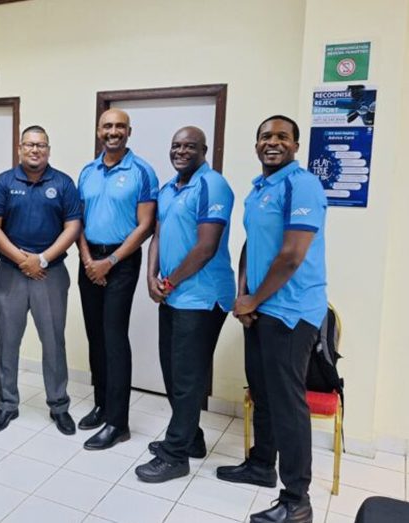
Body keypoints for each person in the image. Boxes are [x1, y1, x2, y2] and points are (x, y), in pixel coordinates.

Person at [216, 115, 327, 523]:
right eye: (265, 136)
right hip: (261, 309)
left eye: (282, 136)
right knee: (261, 392)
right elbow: (253, 244)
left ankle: (297, 500)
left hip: (292, 313)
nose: (273, 142)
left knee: (287, 404)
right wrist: (245, 295)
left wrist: (254, 300)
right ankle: (261, 464)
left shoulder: (303, 185)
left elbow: (292, 255)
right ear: (256, 144)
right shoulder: (260, 189)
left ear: (296, 146)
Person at [134, 126, 234, 482]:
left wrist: (171, 280)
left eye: (189, 146)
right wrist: (151, 276)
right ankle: (191, 438)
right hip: (172, 294)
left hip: (203, 297)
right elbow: (158, 235)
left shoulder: (213, 185)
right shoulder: (168, 188)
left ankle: (175, 456)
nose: (181, 151)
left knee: (188, 378)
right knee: (174, 372)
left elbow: (206, 247)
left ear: (204, 150)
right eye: (176, 145)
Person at [0, 125, 81, 434]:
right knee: (8, 342)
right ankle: (7, 405)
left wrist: (42, 259)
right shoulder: (3, 182)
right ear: (20, 149)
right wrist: (22, 259)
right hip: (11, 273)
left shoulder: (63, 183)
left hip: (50, 274)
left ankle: (59, 406)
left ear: (48, 150)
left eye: (40, 145)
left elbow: (73, 227)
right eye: (29, 145)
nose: (35, 150)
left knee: (53, 342)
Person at [76, 109, 159, 450]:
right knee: (95, 336)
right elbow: (76, 219)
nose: (113, 132)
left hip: (120, 262)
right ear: (99, 131)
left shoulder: (141, 171)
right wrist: (87, 259)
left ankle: (118, 422)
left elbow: (146, 225)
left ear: (129, 132)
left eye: (120, 127)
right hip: (88, 258)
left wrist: (108, 261)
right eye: (107, 126)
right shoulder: (87, 171)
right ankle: (101, 404)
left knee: (114, 337)